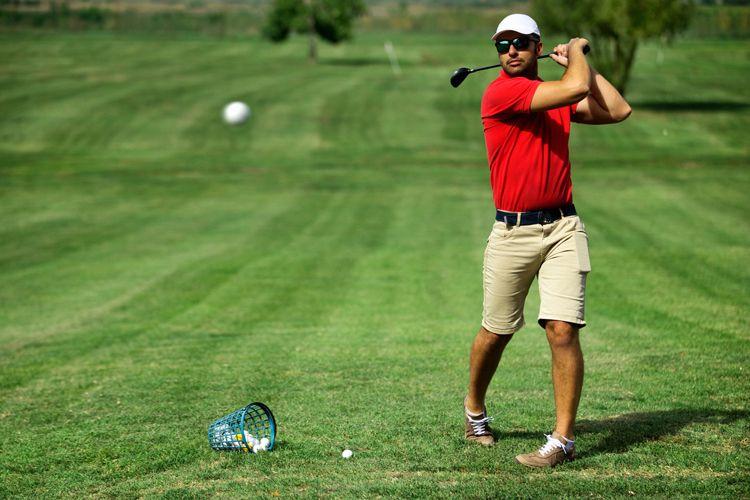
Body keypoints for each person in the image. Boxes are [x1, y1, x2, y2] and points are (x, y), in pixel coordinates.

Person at [463, 13, 631, 467]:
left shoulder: (555, 95)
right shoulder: (502, 92)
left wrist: (584, 68)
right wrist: (577, 53)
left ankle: (562, 441)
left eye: (520, 43)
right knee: (497, 331)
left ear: (537, 47)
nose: (510, 51)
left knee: (563, 329)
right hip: (512, 232)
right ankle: (474, 410)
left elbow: (617, 110)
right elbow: (574, 88)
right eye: (502, 45)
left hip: (563, 227)